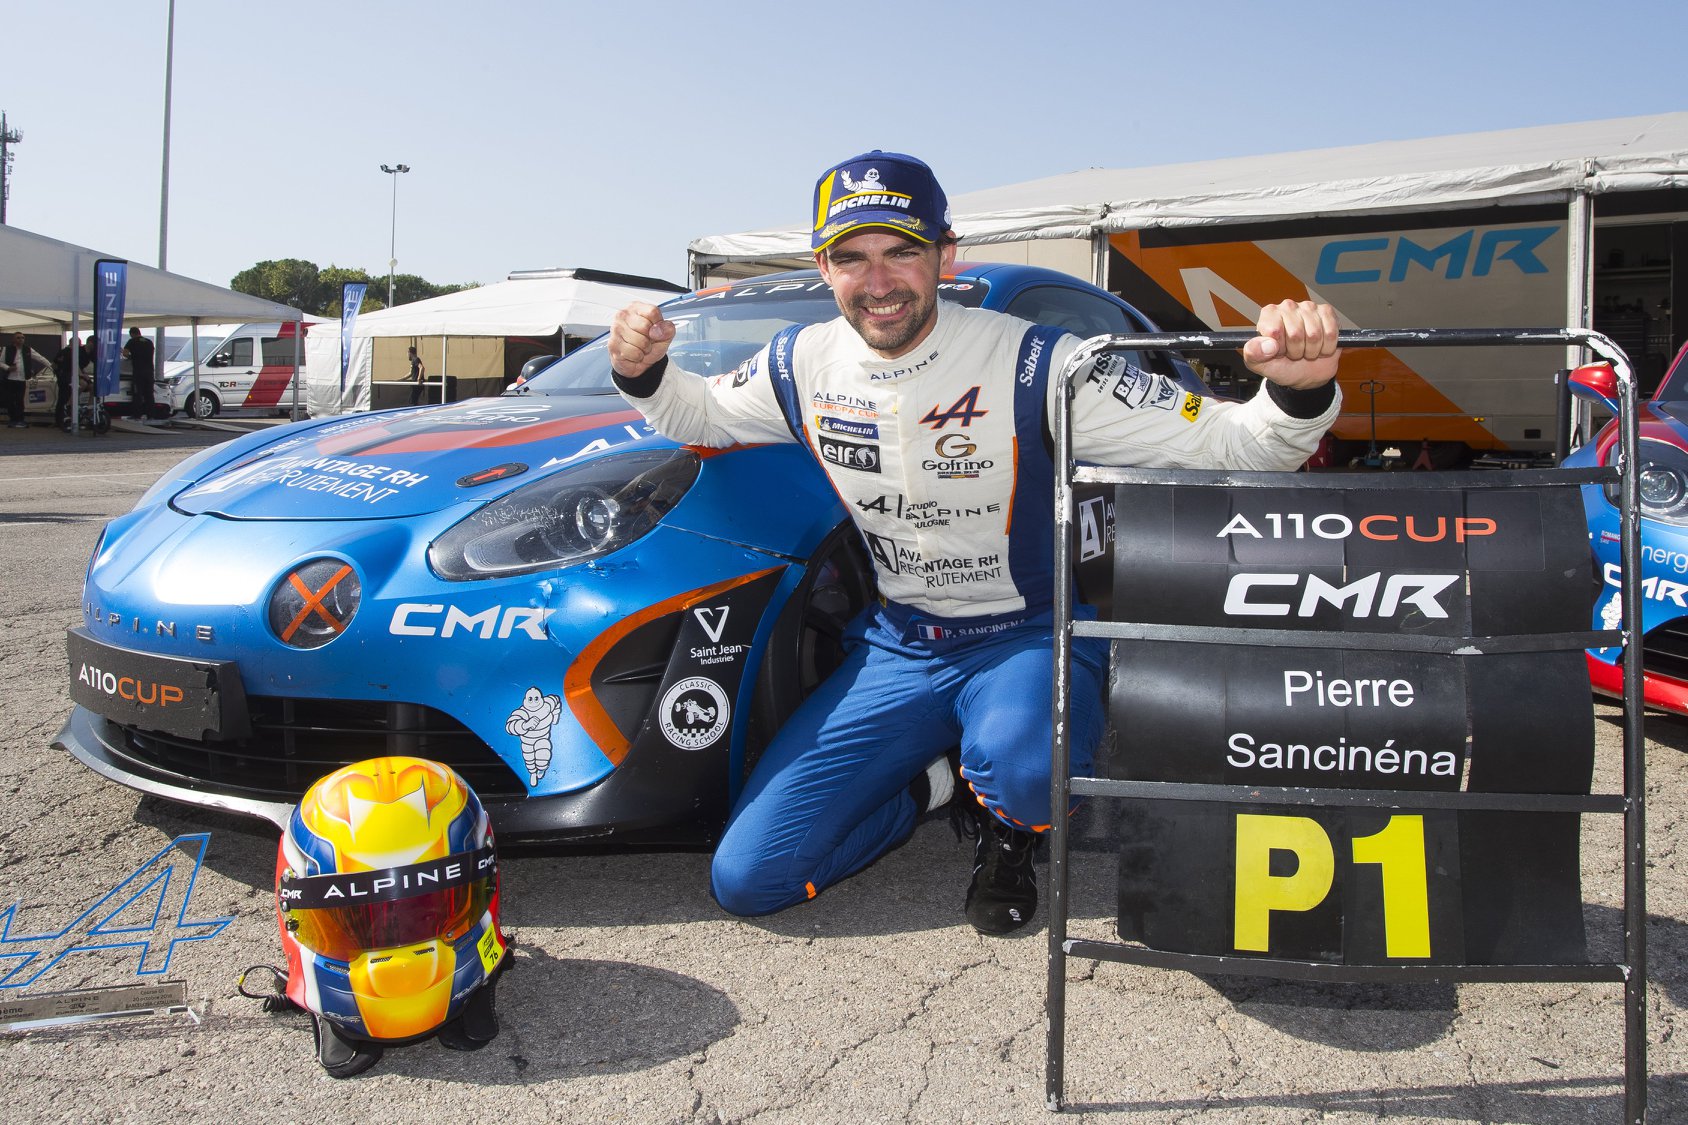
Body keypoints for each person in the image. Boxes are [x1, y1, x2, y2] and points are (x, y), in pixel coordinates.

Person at [608, 150, 1342, 935]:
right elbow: (701, 416)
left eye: (902, 251)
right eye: (852, 257)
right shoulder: (800, 361)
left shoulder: (1043, 362)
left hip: (1027, 639)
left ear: (945, 253)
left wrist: (1299, 387)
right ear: (824, 267)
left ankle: (1010, 825)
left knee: (1028, 771)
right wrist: (644, 370)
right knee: (750, 879)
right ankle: (938, 785)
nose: (879, 280)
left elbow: (1239, 446)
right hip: (900, 647)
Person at [2, 332, 38, 428]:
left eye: (22, 338)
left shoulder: (28, 350)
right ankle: (13, 419)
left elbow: (40, 358)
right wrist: (8, 368)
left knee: (20, 400)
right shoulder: (7, 349)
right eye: (18, 338)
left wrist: (51, 366)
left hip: (21, 379)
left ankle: (20, 419)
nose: (21, 339)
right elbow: (0, 362)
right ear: (13, 339)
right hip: (10, 379)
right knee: (10, 400)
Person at [123, 327, 156, 420]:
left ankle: (137, 415)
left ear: (131, 334)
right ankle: (151, 415)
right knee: (149, 394)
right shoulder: (149, 342)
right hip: (149, 372)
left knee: (137, 393)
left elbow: (125, 353)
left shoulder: (132, 341)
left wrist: (131, 357)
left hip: (138, 372)